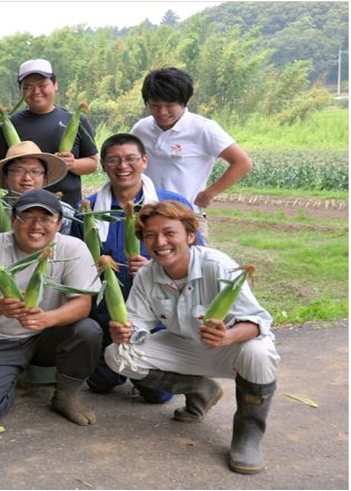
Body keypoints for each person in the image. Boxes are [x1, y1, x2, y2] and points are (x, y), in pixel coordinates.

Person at [105, 200, 279, 474]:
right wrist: (126, 331)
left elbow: (260, 321)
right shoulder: (148, 275)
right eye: (150, 236)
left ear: (189, 235)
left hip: (229, 349)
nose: (160, 242)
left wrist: (228, 336)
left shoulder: (217, 265)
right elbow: (138, 320)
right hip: (185, 348)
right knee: (118, 354)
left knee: (259, 352)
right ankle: (201, 389)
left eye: (169, 232)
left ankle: (248, 436)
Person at [76, 133, 205, 403]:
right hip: (106, 317)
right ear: (103, 165)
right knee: (100, 383)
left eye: (131, 159)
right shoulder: (86, 209)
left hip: (158, 317)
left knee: (158, 396)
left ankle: (195, 380)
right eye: (113, 160)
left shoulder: (171, 204)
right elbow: (75, 259)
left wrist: (155, 266)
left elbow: (198, 258)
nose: (123, 166)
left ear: (144, 161)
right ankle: (119, 360)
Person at [0, 189, 102, 425]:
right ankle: (8, 375)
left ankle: (66, 395)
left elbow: (82, 305)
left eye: (46, 219)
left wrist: (48, 319)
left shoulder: (73, 248)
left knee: (89, 330)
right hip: (1, 338)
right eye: (27, 217)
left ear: (59, 223)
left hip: (48, 336)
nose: (36, 226)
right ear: (13, 219)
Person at [0, 140, 76, 352]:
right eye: (18, 170)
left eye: (35, 171)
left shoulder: (65, 214)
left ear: (45, 177)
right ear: (5, 176)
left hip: (47, 293)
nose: (27, 177)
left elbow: (69, 260)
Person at [131, 67, 253, 236]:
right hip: (146, 214)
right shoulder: (141, 128)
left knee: (192, 262)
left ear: (184, 102)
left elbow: (242, 163)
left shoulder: (203, 128)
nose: (162, 112)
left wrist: (209, 193)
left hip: (186, 215)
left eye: (169, 106)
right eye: (155, 106)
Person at [0, 59, 98, 206]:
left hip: (67, 209)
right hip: (20, 210)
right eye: (28, 87)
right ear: (20, 90)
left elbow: (92, 164)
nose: (36, 91)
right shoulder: (7, 125)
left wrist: (72, 164)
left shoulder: (76, 121)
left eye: (42, 85)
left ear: (55, 85)